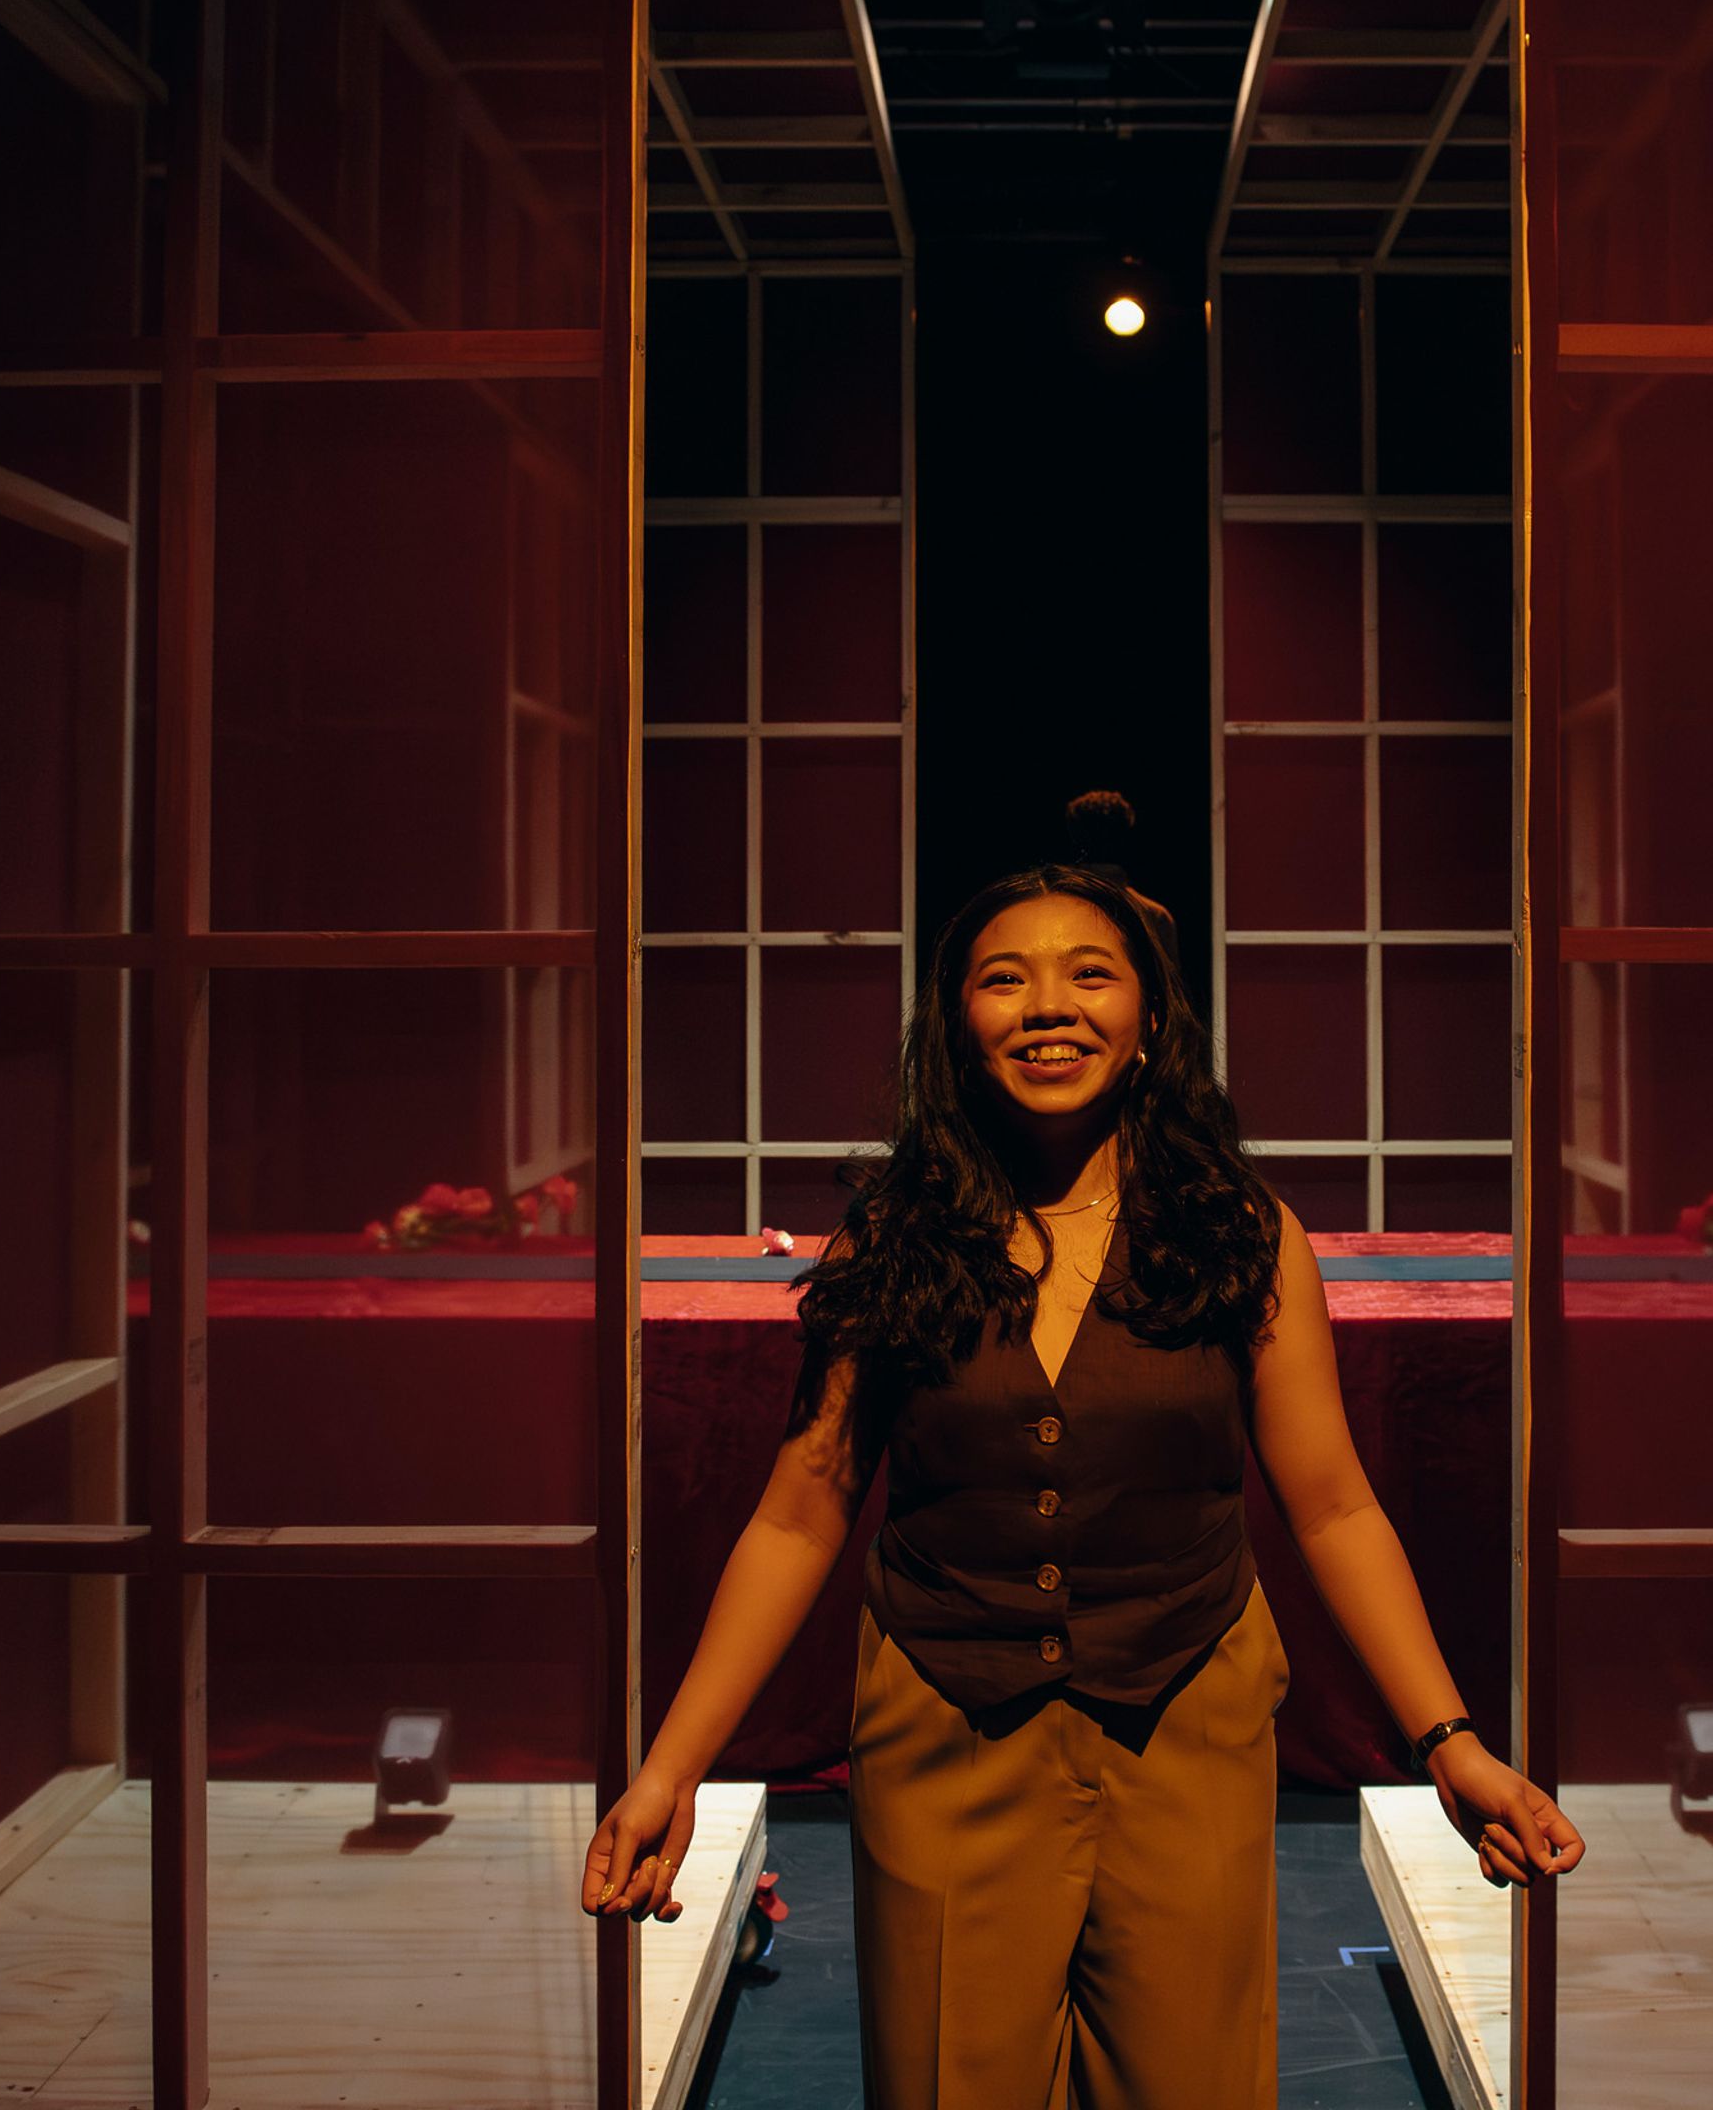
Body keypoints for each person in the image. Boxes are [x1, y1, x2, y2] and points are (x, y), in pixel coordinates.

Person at [578, 814, 1584, 2110]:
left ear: (1151, 1020)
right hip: (947, 1718)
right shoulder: (897, 1235)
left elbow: (1332, 1505)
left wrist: (1449, 1741)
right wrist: (669, 1773)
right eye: (1005, 977)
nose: (1048, 1006)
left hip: (1190, 1719)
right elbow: (801, 1509)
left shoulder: (1239, 1233)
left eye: (1089, 973)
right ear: (956, 1025)